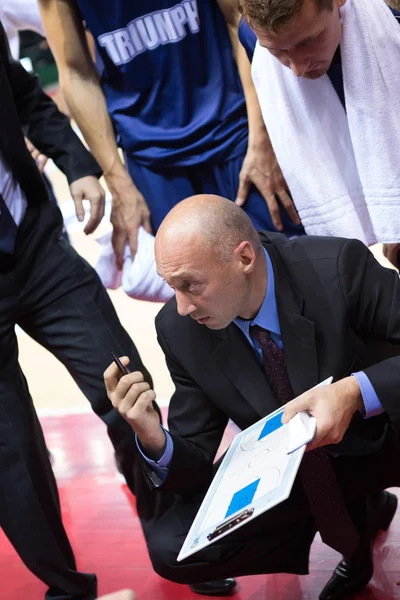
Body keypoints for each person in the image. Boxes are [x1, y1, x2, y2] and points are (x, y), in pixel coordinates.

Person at [104, 194, 400, 600]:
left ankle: (362, 512)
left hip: (383, 437)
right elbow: (194, 461)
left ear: (244, 258)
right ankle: (354, 533)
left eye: (191, 284)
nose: (183, 306)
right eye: (170, 286)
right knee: (172, 546)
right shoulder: (179, 328)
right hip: (294, 469)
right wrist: (152, 434)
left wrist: (353, 391)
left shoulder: (337, 266)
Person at [0, 18, 169, 600]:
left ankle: (175, 540)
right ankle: (67, 589)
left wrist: (77, 164)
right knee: (12, 455)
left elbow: (22, 95)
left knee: (126, 385)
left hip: (34, 240)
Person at [38, 0, 304, 272]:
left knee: (282, 266)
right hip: (151, 159)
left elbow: (240, 18)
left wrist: (263, 139)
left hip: (234, 131)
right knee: (192, 288)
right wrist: (119, 184)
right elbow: (75, 72)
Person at [238, 0, 400, 267]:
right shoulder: (251, 36)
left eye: (307, 42)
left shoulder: (391, 15)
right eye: (277, 52)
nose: (297, 68)